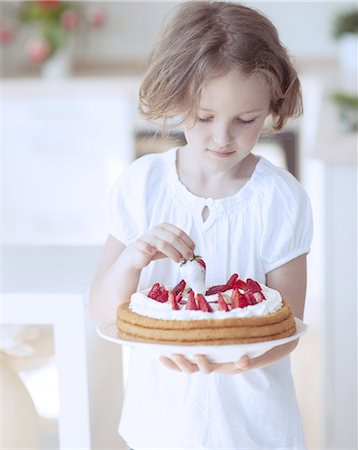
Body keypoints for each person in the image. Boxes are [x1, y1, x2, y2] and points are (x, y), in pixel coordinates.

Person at [89, 1, 313, 449]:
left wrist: (239, 361)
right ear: (175, 96)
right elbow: (102, 311)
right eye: (205, 117)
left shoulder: (280, 198)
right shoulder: (142, 186)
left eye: (246, 120)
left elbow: (288, 323)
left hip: (255, 428)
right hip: (160, 423)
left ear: (271, 106)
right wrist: (134, 259)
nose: (222, 137)